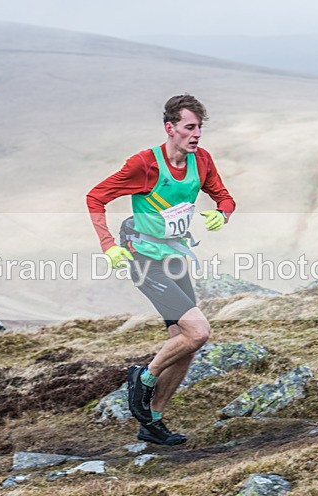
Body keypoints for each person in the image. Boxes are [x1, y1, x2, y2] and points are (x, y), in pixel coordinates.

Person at [87, 94, 235, 444]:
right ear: (170, 128)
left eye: (199, 127)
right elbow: (95, 197)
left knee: (184, 343)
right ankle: (144, 378)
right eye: (189, 127)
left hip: (175, 257)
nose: (196, 134)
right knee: (198, 332)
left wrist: (222, 213)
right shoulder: (145, 164)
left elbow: (225, 197)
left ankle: (152, 421)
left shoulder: (202, 161)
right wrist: (108, 245)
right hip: (143, 259)